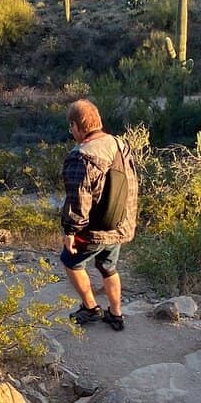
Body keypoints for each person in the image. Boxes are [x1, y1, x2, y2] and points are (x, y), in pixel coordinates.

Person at [59, 98, 138, 332]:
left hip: (94, 229)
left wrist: (70, 231)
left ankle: (90, 307)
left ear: (76, 126)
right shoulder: (119, 144)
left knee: (70, 262)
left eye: (72, 127)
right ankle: (116, 313)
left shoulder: (81, 156)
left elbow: (78, 200)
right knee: (108, 267)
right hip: (119, 223)